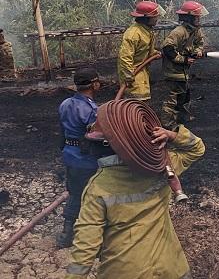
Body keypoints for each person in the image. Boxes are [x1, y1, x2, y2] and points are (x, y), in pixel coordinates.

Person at [65, 102, 205, 279]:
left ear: (106, 145)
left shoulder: (98, 187)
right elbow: (197, 148)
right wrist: (171, 135)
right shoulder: (163, 167)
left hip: (125, 271)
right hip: (172, 267)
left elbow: (86, 246)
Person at [56, 67, 102, 248]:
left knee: (75, 193)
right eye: (98, 81)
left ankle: (66, 234)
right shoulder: (91, 110)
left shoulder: (65, 103)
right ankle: (86, 237)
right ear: (94, 84)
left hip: (69, 155)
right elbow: (97, 137)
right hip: (86, 159)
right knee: (89, 196)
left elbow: (62, 131)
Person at [161, 0, 207, 130]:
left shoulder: (195, 31)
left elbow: (199, 43)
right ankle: (167, 124)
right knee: (173, 98)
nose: (199, 19)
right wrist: (184, 60)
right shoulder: (178, 32)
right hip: (173, 71)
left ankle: (181, 118)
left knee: (184, 96)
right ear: (189, 18)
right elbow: (167, 48)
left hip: (183, 72)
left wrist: (198, 51)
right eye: (197, 17)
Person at [117, 1, 163, 101]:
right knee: (135, 102)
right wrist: (128, 76)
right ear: (146, 18)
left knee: (143, 101)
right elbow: (125, 57)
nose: (157, 18)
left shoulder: (146, 30)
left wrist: (154, 53)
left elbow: (144, 49)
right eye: (155, 16)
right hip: (133, 74)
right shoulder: (133, 33)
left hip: (141, 72)